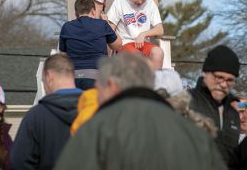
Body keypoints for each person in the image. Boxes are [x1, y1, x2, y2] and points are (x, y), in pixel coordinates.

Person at [54, 53, 226, 170]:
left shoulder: (96, 130)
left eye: (99, 88)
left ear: (112, 85)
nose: (96, 95)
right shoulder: (195, 134)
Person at [11, 53, 82, 170]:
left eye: (43, 81)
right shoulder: (96, 111)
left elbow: (19, 163)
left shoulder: (36, 117)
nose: (44, 85)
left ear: (49, 77)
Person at [189, 45, 241, 167]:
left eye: (229, 80)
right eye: (219, 77)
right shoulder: (185, 103)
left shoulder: (233, 113)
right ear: (205, 73)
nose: (223, 84)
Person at [59, 0, 122, 90]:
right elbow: (117, 45)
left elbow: (63, 55)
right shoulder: (102, 24)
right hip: (97, 78)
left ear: (76, 13)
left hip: (73, 78)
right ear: (93, 11)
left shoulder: (66, 27)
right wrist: (107, 23)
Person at [107, 0, 164, 69]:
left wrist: (143, 34)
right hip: (125, 44)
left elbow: (160, 30)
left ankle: (155, 81)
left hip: (144, 44)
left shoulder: (151, 3)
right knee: (138, 58)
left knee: (158, 52)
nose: (140, 2)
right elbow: (110, 29)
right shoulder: (120, 2)